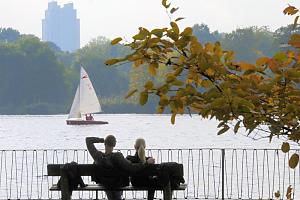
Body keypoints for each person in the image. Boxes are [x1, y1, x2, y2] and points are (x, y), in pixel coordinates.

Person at [86, 135, 156, 200]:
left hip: (105, 184)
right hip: (116, 184)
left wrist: (102, 140)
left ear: (105, 144)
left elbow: (88, 140)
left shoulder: (97, 156)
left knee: (110, 194)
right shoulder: (117, 156)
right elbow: (132, 168)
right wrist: (146, 163)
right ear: (114, 145)